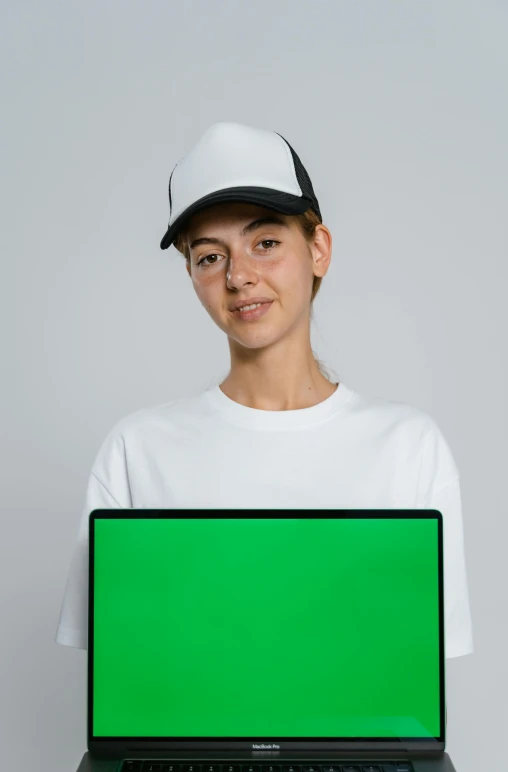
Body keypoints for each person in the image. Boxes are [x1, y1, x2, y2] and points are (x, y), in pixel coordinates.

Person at [55, 123, 474, 680]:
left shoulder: (408, 447)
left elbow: (410, 678)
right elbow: (127, 677)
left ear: (318, 249)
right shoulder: (138, 449)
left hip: (358, 760)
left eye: (266, 242)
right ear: (191, 275)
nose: (239, 276)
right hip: (189, 757)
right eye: (209, 257)